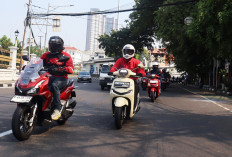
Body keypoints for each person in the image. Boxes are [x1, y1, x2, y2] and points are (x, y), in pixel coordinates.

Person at [41, 36, 74, 120]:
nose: (52, 47)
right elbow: (38, 62)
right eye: (51, 45)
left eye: (54, 45)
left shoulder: (66, 56)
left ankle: (57, 109)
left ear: (59, 46)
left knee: (54, 85)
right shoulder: (46, 55)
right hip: (48, 77)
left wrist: (61, 68)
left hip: (61, 78)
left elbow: (71, 69)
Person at [109, 44, 145, 111]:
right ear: (123, 52)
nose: (127, 53)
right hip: (120, 80)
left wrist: (140, 73)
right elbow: (114, 67)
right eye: (126, 51)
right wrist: (111, 71)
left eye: (130, 52)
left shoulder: (136, 62)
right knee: (113, 89)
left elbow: (141, 70)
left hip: (132, 81)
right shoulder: (119, 60)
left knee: (136, 89)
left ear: (133, 52)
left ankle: (135, 105)